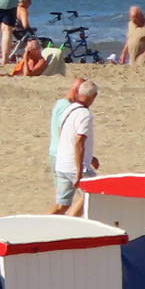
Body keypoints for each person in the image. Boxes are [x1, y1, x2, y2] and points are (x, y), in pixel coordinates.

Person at [52, 79, 98, 216]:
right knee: (94, 194)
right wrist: (79, 171)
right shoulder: (84, 115)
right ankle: (71, 224)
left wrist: (90, 157)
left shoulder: (68, 109)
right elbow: (79, 142)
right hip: (74, 166)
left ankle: (42, 227)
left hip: (61, 164)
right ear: (93, 97)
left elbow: (62, 132)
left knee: (61, 205)